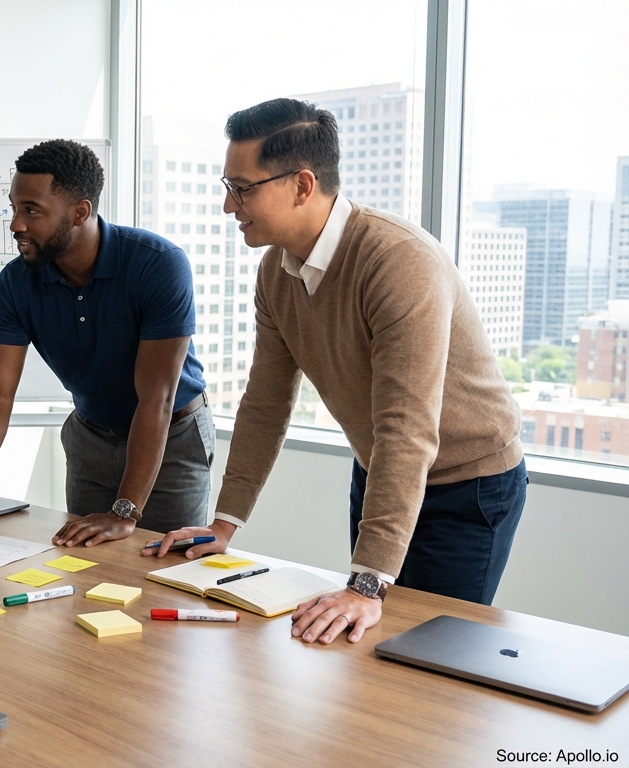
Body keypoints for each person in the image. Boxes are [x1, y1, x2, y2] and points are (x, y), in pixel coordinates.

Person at [159, 98, 526, 645]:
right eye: (227, 185)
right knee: (366, 643)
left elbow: (407, 427)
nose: (228, 205)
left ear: (302, 185)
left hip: (467, 485)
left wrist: (367, 582)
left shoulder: (399, 262)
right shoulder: (276, 271)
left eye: (243, 188)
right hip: (382, 470)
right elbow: (265, 401)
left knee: (435, 657)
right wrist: (224, 523)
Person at [0, 139, 211, 546]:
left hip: (170, 437)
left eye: (32, 210)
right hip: (91, 438)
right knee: (85, 567)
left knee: (166, 569)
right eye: (14, 208)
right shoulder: (15, 283)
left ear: (80, 212)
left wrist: (125, 511)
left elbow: (157, 396)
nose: (16, 224)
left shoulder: (158, 264)